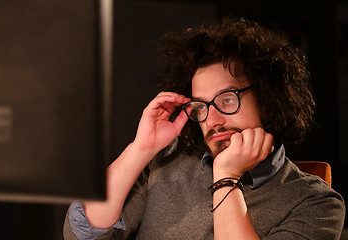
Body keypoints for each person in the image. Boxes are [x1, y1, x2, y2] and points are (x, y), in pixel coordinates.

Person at [63, 17, 346, 239]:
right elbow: (84, 234)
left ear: (268, 100)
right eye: (201, 106)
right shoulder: (166, 162)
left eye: (226, 99)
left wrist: (226, 176)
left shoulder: (317, 203)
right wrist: (141, 148)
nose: (212, 120)